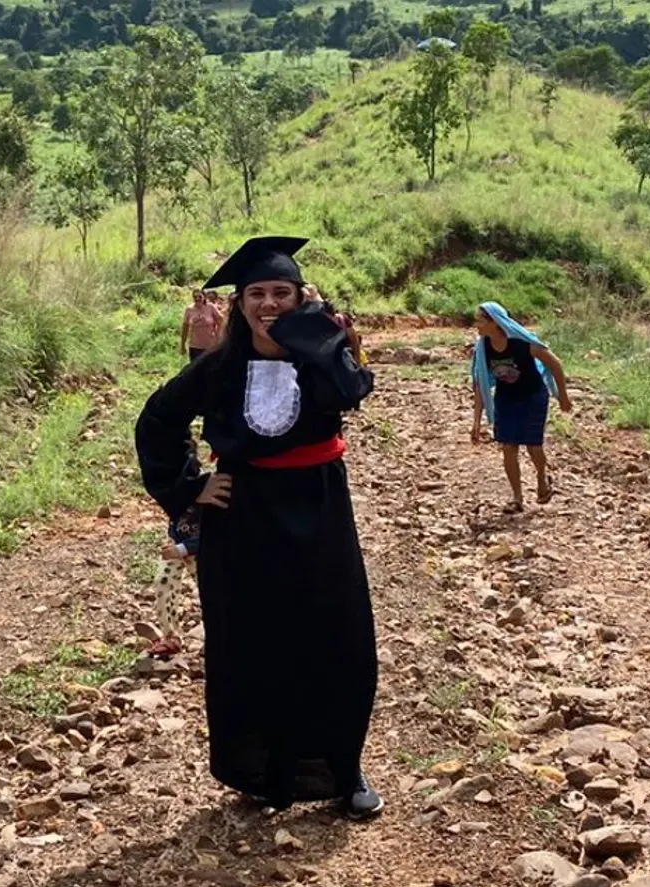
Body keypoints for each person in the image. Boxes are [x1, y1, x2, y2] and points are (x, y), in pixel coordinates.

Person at [134, 235, 383, 819]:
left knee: (337, 636)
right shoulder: (219, 367)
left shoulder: (322, 354)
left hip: (320, 509)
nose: (269, 303)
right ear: (239, 303)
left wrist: (316, 333)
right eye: (257, 294)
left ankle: (343, 768)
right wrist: (191, 486)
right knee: (253, 643)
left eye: (281, 293)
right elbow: (158, 420)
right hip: (244, 517)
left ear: (300, 296)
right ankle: (266, 773)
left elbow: (351, 391)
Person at [470, 301, 573, 513]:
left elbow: (555, 363)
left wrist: (562, 395)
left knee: (533, 446)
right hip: (506, 398)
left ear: (494, 322)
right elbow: (480, 384)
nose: (476, 325)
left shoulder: (521, 343)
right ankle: (517, 498)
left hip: (533, 396)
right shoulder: (483, 349)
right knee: (508, 447)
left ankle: (542, 478)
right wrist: (476, 422)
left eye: (479, 321)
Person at [145, 505, 201, 660]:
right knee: (163, 582)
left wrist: (183, 549)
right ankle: (171, 637)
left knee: (211, 594)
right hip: (177, 542)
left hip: (203, 549)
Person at [181, 290, 223, 362]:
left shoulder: (210, 307)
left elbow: (220, 320)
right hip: (194, 345)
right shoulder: (189, 309)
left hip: (210, 344)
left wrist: (217, 334)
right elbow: (185, 327)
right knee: (196, 366)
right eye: (195, 297)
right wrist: (182, 345)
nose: (197, 298)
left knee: (210, 366)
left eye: (199, 297)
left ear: (204, 297)